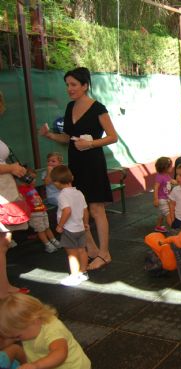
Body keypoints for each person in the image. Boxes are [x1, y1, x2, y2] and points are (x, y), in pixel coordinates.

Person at [39, 67, 117, 271]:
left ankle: (105, 253)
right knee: (80, 208)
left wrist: (90, 144)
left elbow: (112, 136)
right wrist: (49, 135)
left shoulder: (98, 108)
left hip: (92, 162)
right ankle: (91, 248)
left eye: (73, 85)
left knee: (96, 209)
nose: (69, 89)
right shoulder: (69, 107)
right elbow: (67, 138)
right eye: (67, 85)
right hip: (76, 162)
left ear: (85, 85)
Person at [0, 293, 91, 369]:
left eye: (17, 337)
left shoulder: (52, 330)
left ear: (33, 321)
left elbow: (60, 352)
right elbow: (8, 338)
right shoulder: (29, 328)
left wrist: (36, 365)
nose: (14, 339)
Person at [0, 90, 29, 297]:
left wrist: (12, 169)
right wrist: (11, 169)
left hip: (5, 188)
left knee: (4, 240)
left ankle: (4, 287)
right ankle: (3, 289)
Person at [51, 165, 90, 287]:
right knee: (82, 251)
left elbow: (67, 211)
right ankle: (83, 272)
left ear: (57, 183)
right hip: (80, 228)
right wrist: (85, 223)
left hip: (69, 229)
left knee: (72, 254)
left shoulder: (62, 195)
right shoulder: (79, 193)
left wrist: (60, 225)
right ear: (71, 178)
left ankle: (74, 276)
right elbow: (85, 210)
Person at [17, 169, 61, 253]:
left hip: (41, 210)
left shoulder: (31, 188)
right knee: (40, 230)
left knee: (47, 227)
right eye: (33, 178)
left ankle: (53, 241)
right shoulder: (22, 189)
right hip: (34, 214)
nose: (35, 181)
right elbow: (22, 201)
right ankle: (47, 244)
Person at [153, 156, 173, 233]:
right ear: (165, 168)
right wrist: (156, 199)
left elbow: (170, 181)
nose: (172, 167)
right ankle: (174, 228)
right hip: (162, 199)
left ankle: (158, 227)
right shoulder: (160, 176)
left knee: (161, 214)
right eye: (170, 166)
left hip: (166, 197)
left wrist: (178, 181)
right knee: (168, 213)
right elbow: (156, 187)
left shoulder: (166, 175)